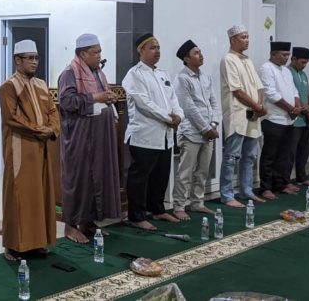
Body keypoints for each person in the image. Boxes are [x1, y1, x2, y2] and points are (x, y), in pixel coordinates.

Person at [0, 40, 59, 261]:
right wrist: (38, 130)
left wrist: (51, 129)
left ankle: (36, 243)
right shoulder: (9, 86)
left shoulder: (42, 85)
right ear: (17, 60)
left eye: (36, 58)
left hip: (42, 146)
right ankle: (13, 246)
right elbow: (12, 118)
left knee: (41, 194)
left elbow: (53, 111)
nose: (34, 62)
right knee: (19, 195)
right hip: (20, 147)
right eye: (29, 58)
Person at [57, 33, 122, 243]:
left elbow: (101, 96)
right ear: (83, 54)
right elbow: (66, 101)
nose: (99, 55)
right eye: (95, 52)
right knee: (79, 180)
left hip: (99, 136)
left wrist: (108, 97)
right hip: (79, 137)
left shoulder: (98, 72)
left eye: (100, 51)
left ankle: (88, 221)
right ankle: (70, 226)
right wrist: (96, 97)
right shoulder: (70, 72)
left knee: (97, 178)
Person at [122, 34, 184, 230]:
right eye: (152, 48)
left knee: (161, 175)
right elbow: (144, 104)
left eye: (158, 47)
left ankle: (157, 209)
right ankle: (136, 216)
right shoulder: (134, 74)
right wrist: (169, 118)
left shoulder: (163, 74)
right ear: (140, 51)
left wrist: (178, 116)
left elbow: (174, 100)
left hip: (165, 135)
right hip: (144, 136)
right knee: (139, 178)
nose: (157, 51)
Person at [172, 40, 220, 220]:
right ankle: (178, 206)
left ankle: (197, 203)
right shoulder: (182, 79)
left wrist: (213, 124)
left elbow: (213, 102)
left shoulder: (205, 77)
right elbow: (188, 107)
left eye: (201, 52)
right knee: (185, 171)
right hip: (191, 132)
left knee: (203, 171)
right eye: (196, 53)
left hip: (208, 132)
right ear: (186, 59)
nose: (201, 55)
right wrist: (206, 128)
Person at [219, 25, 265, 208]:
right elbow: (237, 90)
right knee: (231, 157)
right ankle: (227, 194)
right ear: (232, 40)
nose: (247, 40)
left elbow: (259, 86)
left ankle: (246, 190)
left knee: (250, 156)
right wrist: (257, 107)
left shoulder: (248, 60)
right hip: (238, 114)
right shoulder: (228, 60)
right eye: (243, 37)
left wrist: (259, 106)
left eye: (248, 36)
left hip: (253, 114)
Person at [258, 41, 302, 199]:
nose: (286, 58)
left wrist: (296, 106)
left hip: (289, 119)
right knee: (270, 155)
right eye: (283, 55)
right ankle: (265, 187)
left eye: (288, 55)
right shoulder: (266, 68)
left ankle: (281, 184)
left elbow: (294, 90)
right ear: (273, 54)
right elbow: (270, 93)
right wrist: (291, 109)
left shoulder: (286, 70)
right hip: (273, 119)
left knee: (285, 155)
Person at [288, 47, 309, 186]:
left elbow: (308, 94)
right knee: (291, 151)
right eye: (302, 62)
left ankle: (301, 177)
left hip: (305, 119)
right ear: (294, 59)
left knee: (304, 150)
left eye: (306, 63)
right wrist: (307, 111)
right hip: (295, 119)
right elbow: (294, 95)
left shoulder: (303, 74)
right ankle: (286, 180)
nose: (304, 65)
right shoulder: (287, 73)